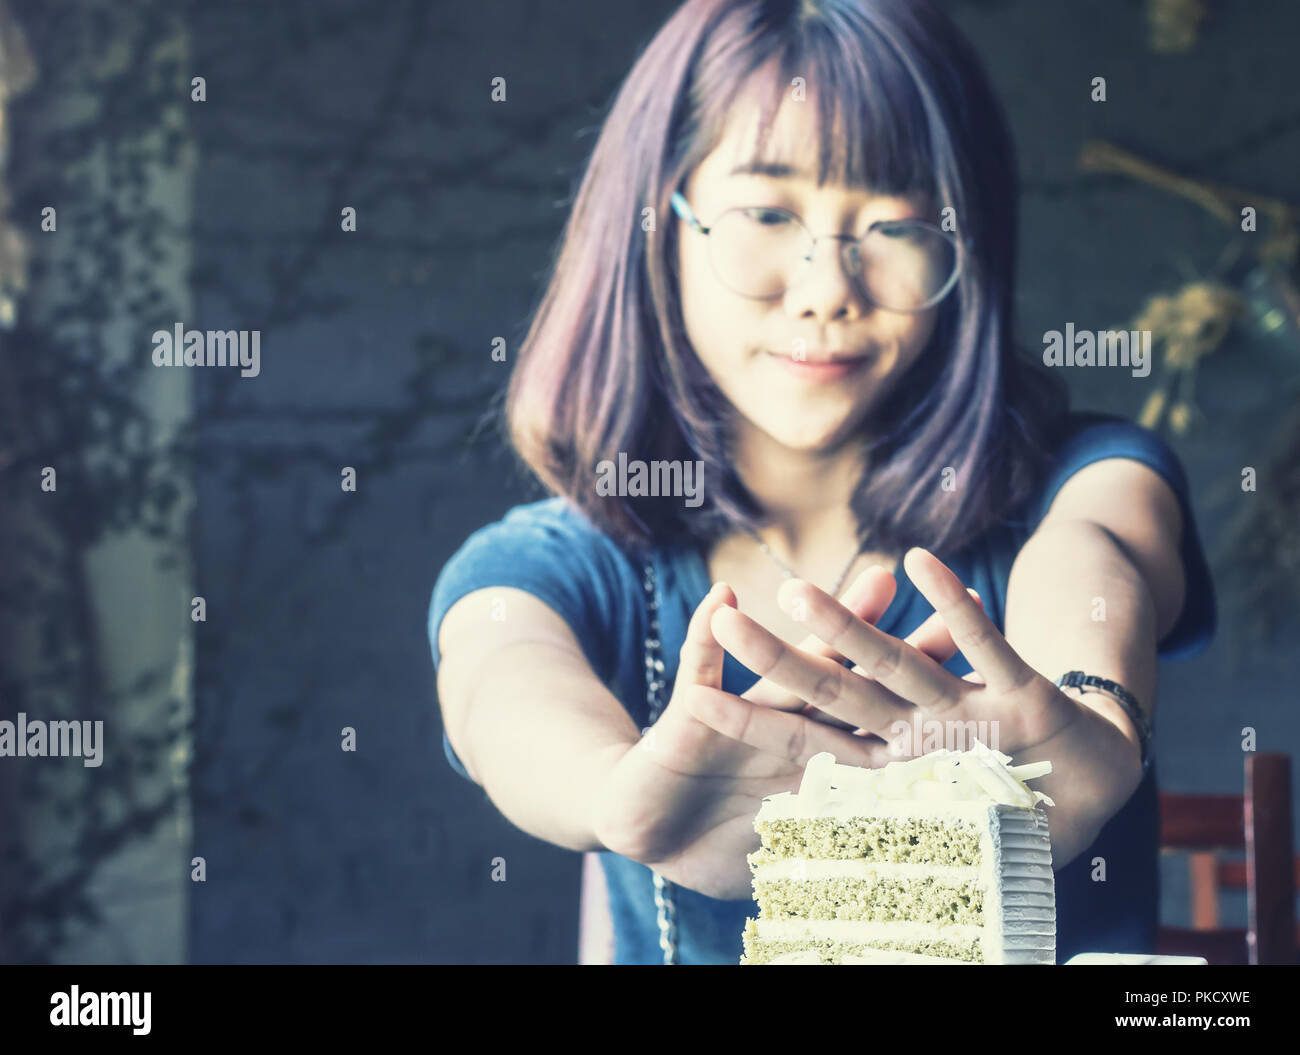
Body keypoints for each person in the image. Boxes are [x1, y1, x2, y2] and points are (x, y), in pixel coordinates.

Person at [428, 0, 1215, 965]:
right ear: (656, 220)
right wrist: (611, 795)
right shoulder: (556, 564)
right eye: (766, 212)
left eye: (892, 224)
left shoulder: (1081, 478)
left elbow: (1099, 556)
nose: (828, 284)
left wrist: (1094, 713)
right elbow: (499, 682)